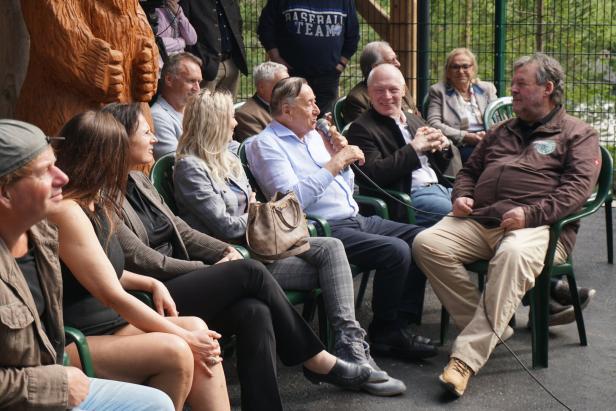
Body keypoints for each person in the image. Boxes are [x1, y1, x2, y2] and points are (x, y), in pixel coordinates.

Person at [99, 103, 373, 409]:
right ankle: (316, 359)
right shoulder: (102, 196)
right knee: (250, 271)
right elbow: (143, 259)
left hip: (184, 278)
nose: (154, 138)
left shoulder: (139, 180)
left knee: (254, 311)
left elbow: (181, 229)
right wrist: (205, 267)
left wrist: (224, 250)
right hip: (154, 293)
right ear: (121, 140)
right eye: (145, 132)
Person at [172, 91, 407, 396]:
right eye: (229, 116)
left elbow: (248, 210)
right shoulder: (191, 168)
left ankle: (351, 346)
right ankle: (337, 359)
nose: (235, 122)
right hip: (235, 259)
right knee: (336, 272)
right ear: (213, 122)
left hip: (263, 247)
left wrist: (258, 213)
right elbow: (225, 225)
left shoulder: (228, 159)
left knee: (333, 250)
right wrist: (263, 215)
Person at [412, 53, 601, 398]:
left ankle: (464, 360)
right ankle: (490, 328)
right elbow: (469, 172)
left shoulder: (578, 134)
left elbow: (576, 193)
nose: (511, 90)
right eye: (513, 84)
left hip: (538, 229)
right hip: (482, 219)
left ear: (547, 88)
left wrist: (530, 215)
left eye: (520, 84)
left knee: (512, 253)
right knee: (427, 243)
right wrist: (462, 195)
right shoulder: (501, 131)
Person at [246, 77, 438, 361]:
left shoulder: (313, 137)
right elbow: (291, 203)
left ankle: (401, 322)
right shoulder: (265, 144)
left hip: (353, 217)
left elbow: (347, 189)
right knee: (395, 251)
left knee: (422, 238)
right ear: (287, 111)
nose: (316, 110)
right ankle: (385, 332)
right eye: (309, 103)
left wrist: (342, 160)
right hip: (320, 228)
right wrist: (335, 163)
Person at [0, 119, 174, 411]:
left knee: (157, 403)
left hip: (57, 380)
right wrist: (55, 384)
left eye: (55, 164)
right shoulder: (65, 216)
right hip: (38, 391)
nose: (62, 177)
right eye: (44, 171)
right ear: (5, 192)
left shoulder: (42, 234)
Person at [347, 64, 453, 227]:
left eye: (393, 90)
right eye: (379, 90)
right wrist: (414, 148)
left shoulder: (413, 119)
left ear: (404, 90)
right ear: (369, 93)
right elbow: (373, 175)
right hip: (405, 199)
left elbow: (438, 166)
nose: (387, 96)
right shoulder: (361, 129)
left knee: (482, 203)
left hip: (440, 188)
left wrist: (442, 146)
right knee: (457, 214)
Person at [257, 0, 360, 114]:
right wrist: (276, 58)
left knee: (324, 123)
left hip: (327, 79)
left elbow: (353, 35)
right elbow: (265, 28)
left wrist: (341, 64)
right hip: (291, 76)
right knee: (289, 117)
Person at [426, 48, 497, 163]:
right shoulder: (439, 91)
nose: (460, 71)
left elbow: (497, 118)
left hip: (487, 140)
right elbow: (434, 124)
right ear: (448, 71)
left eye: (465, 66)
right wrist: (465, 136)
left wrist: (488, 136)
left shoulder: (487, 89)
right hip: (459, 145)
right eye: (455, 67)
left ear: (473, 69)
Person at [181, 0, 247, 97]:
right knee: (202, 109)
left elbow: (238, 23)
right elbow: (184, 31)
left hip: (232, 62)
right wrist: (199, 60)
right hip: (205, 64)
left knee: (227, 109)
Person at [343, 41, 417, 124]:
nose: (398, 64)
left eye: (396, 58)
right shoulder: (357, 99)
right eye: (391, 61)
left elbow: (417, 117)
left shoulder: (400, 87)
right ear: (375, 67)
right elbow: (364, 133)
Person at [151, 52, 202, 159]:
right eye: (191, 81)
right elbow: (177, 162)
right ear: (169, 80)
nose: (197, 88)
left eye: (199, 82)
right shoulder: (158, 116)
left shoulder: (196, 111)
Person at [234, 61, 289, 142]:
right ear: (261, 88)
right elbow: (262, 149)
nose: (288, 89)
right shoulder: (247, 115)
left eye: (288, 83)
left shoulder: (290, 104)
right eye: (282, 85)